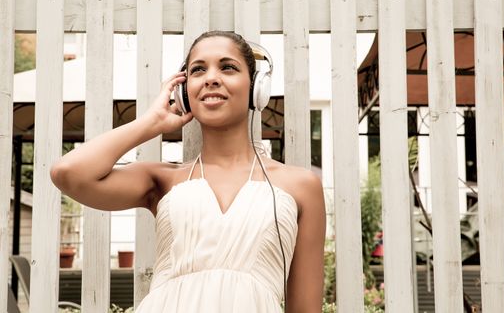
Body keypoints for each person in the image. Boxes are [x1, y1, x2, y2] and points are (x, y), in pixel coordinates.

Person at [51, 31, 326, 312]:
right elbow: (68, 173)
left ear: (257, 87)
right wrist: (150, 122)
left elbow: (305, 308)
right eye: (198, 70)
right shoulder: (163, 180)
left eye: (228, 67)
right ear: (184, 91)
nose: (211, 78)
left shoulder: (301, 186)